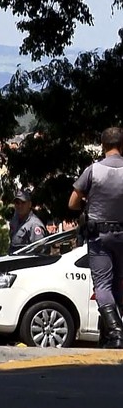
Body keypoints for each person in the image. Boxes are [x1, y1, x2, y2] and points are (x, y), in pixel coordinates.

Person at [69, 126, 123, 349]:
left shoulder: (93, 170)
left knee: (102, 284)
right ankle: (111, 334)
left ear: (103, 146)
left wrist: (88, 202)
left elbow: (72, 203)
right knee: (119, 284)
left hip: (99, 236)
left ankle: (115, 331)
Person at [8, 190, 46, 254]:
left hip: (27, 262)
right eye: (17, 203)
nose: (20, 206)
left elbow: (39, 252)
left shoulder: (34, 224)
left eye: (23, 202)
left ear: (29, 204)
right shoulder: (15, 220)